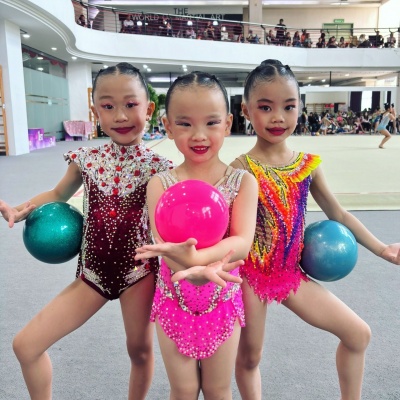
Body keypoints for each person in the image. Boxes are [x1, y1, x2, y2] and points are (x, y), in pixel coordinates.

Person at [0, 63, 174, 400]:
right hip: (92, 273)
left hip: (139, 274)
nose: (120, 115)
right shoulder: (86, 158)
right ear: (95, 111)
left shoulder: (162, 168)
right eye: (108, 106)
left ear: (149, 109)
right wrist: (20, 210)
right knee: (25, 345)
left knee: (140, 351)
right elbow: (56, 194)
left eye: (131, 104)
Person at [230, 59, 400, 400]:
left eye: (288, 106)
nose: (278, 117)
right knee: (250, 358)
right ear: (246, 111)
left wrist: (382, 248)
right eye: (265, 107)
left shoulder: (308, 165)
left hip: (290, 273)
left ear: (300, 107)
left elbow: (339, 213)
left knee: (358, 334)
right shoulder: (240, 169)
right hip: (250, 275)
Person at [134, 71, 258, 399]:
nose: (199, 135)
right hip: (174, 298)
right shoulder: (160, 185)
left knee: (218, 388)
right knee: (183, 388)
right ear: (168, 125)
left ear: (228, 123)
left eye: (211, 122)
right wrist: (192, 265)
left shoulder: (243, 182)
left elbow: (241, 242)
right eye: (185, 124)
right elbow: (164, 245)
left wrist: (199, 261)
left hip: (222, 298)